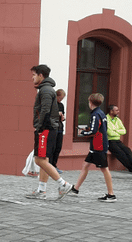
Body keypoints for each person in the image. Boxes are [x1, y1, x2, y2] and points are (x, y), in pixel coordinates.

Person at [27, 64, 74, 199]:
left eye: (34, 75)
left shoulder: (46, 90)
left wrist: (40, 127)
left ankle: (63, 184)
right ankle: (42, 190)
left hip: (45, 129)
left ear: (41, 75)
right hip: (49, 128)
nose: (32, 78)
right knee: (44, 159)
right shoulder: (47, 89)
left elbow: (45, 110)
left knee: (39, 160)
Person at [69, 93, 116, 202]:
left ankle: (111, 194)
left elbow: (94, 131)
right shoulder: (101, 113)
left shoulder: (95, 114)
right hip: (97, 145)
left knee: (104, 169)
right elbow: (99, 127)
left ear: (90, 103)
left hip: (98, 146)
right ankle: (75, 189)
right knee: (85, 165)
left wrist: (83, 133)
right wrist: (88, 128)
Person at [48, 88, 65, 170]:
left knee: (58, 147)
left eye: (62, 99)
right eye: (60, 98)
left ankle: (54, 164)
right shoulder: (51, 104)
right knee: (52, 147)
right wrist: (57, 113)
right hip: (53, 128)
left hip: (60, 127)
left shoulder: (61, 105)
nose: (61, 100)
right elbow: (49, 115)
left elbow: (62, 117)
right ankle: (50, 164)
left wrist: (62, 117)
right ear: (56, 96)